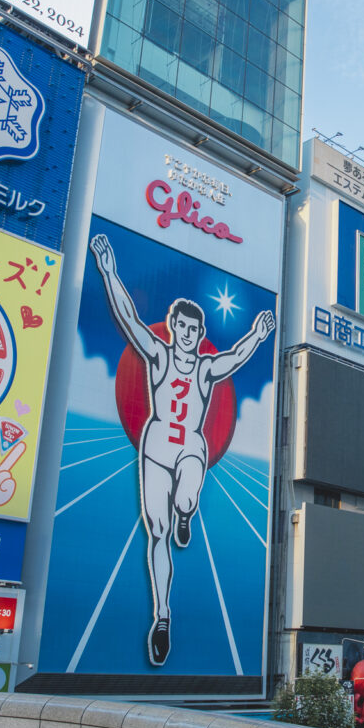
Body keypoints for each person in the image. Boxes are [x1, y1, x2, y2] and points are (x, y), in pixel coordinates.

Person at [90, 234, 275, 666]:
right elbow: (129, 317)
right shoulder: (158, 355)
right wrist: (108, 270)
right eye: (183, 328)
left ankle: (187, 512)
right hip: (156, 446)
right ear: (174, 328)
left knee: (186, 496)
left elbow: (235, 357)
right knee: (157, 533)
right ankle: (162, 617)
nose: (189, 335)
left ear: (200, 333)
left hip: (190, 444)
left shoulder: (207, 369)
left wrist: (258, 336)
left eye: (195, 329)